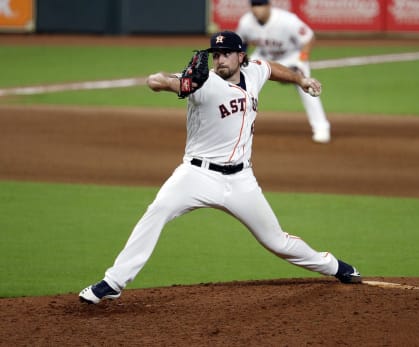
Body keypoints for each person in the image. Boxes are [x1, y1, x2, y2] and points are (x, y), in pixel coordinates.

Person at [79, 31, 361, 304]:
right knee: (157, 211)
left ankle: (335, 266)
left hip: (241, 180)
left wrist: (300, 80)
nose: (220, 60)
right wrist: (165, 81)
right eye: (216, 54)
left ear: (241, 57)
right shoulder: (202, 82)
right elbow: (159, 81)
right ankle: (113, 282)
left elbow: (271, 68)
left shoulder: (254, 72)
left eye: (226, 54)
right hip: (196, 175)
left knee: (276, 241)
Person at [236, 0, 331, 143]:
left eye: (260, 5)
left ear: (268, 6)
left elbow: (309, 37)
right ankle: (235, 125)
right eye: (254, 5)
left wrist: (302, 59)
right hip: (264, 57)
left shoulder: (287, 20)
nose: (257, 9)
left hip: (291, 57)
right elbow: (241, 43)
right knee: (241, 83)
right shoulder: (246, 22)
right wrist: (240, 63)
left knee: (307, 85)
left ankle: (321, 127)